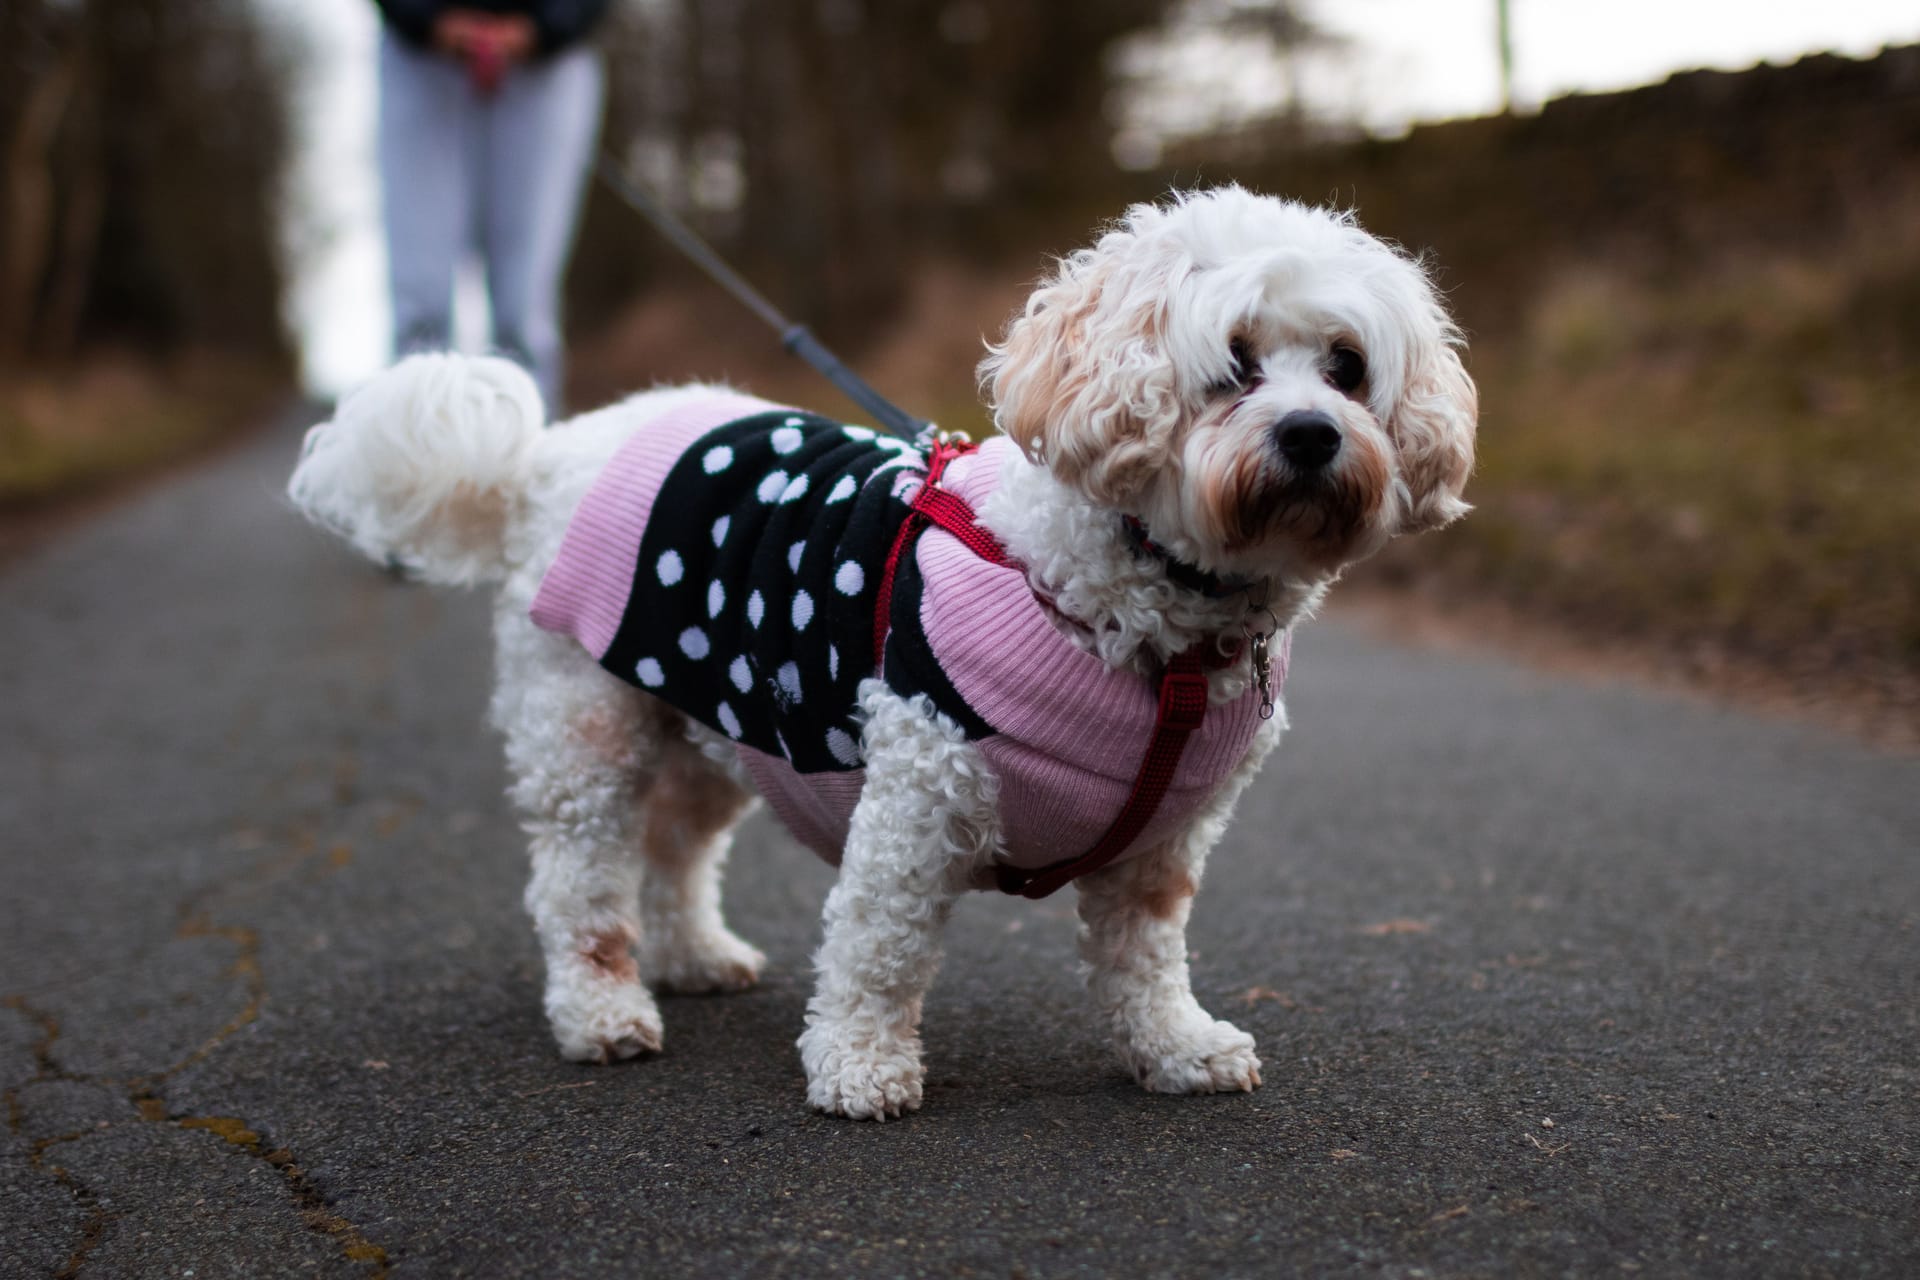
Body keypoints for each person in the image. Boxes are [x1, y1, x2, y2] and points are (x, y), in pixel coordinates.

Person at [373, 1, 611, 411]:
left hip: (544, 66)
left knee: (523, 306)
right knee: (419, 299)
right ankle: (414, 452)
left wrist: (547, 27)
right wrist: (427, 20)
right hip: (420, 60)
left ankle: (530, 454)